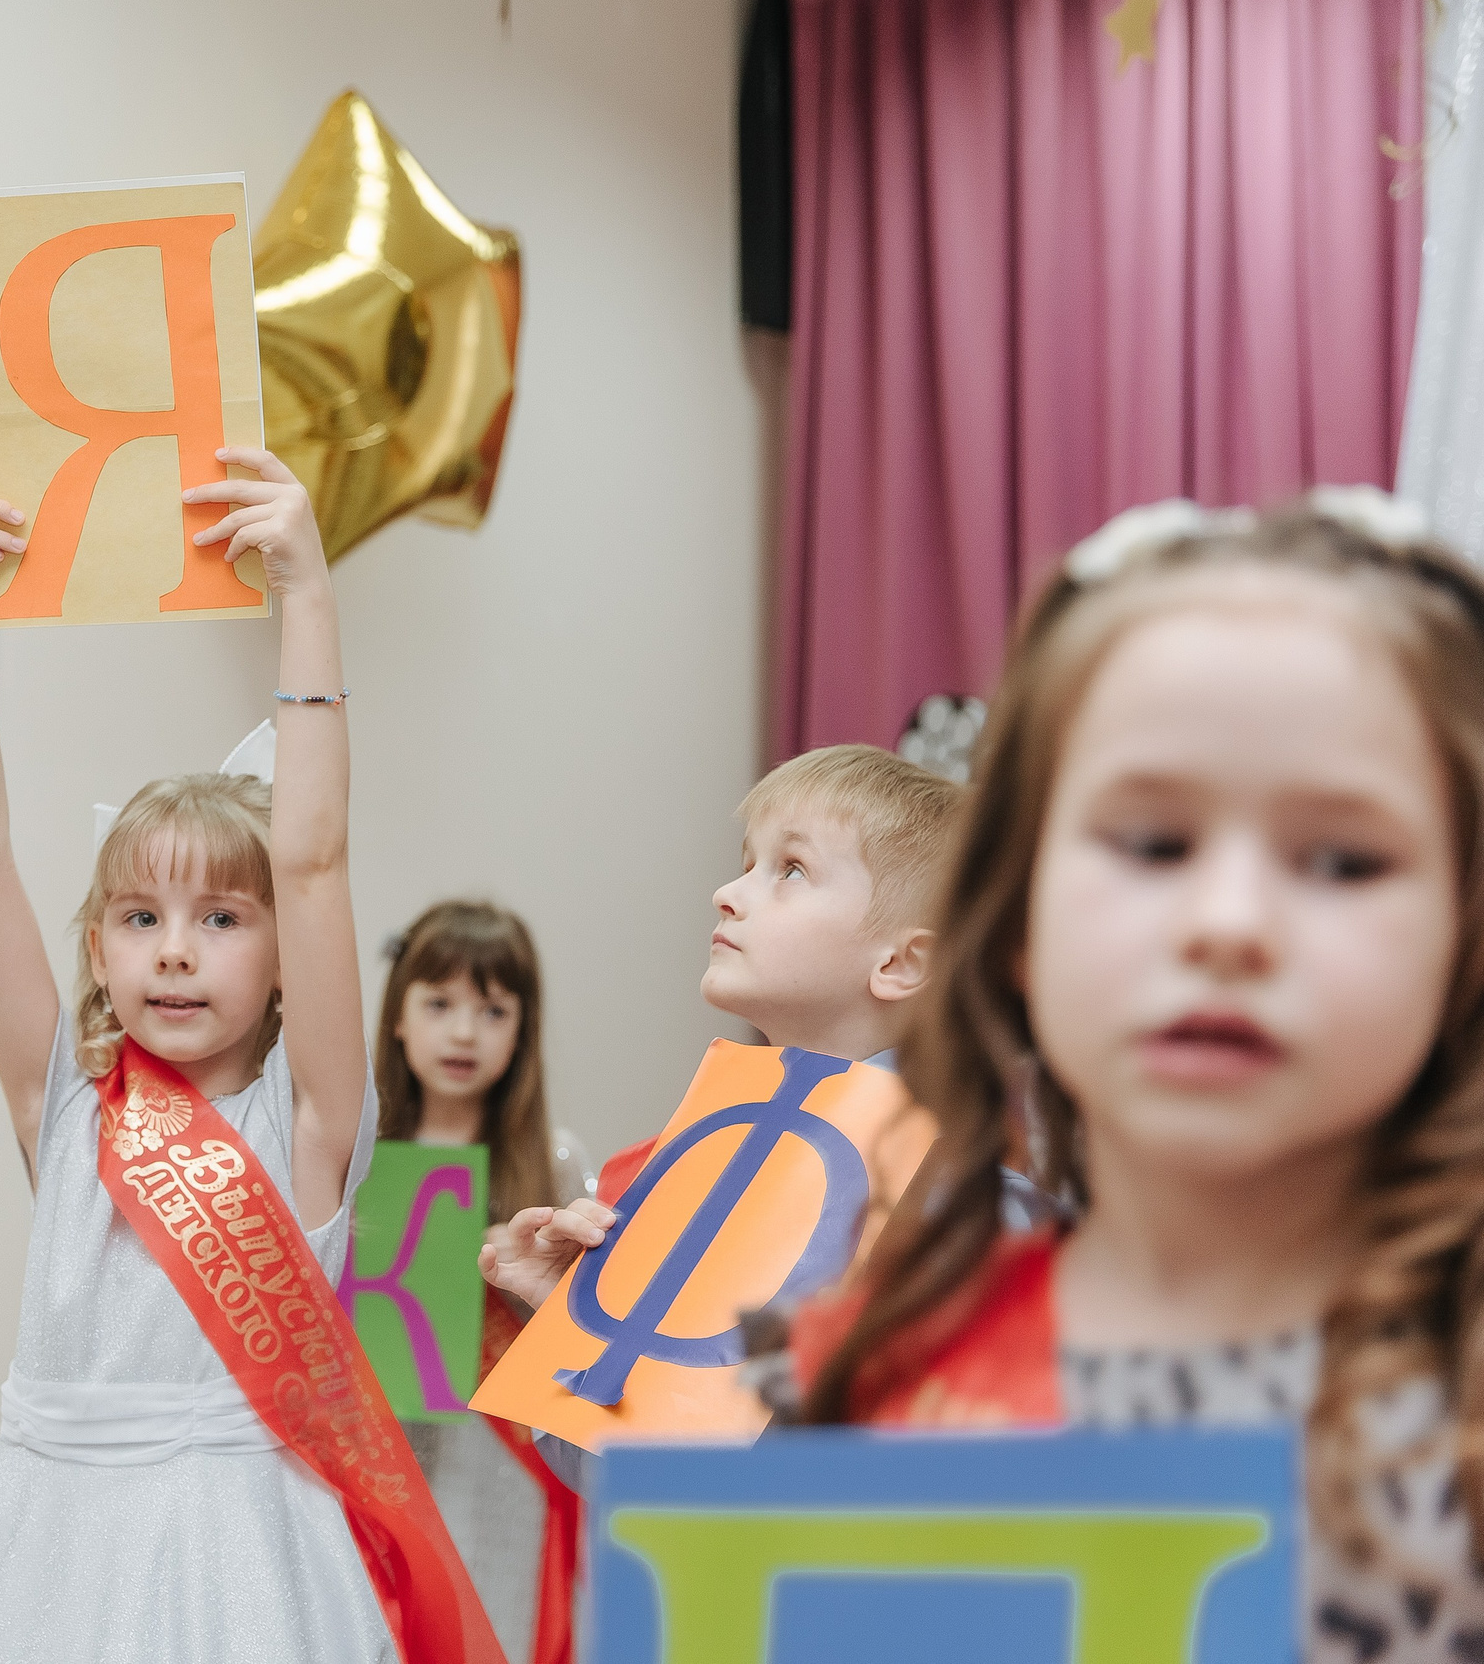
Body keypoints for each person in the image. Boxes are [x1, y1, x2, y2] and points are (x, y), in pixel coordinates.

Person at [544, 490, 1484, 1657]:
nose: (1228, 921)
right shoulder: (877, 1357)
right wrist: (596, 1340)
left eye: (1342, 858)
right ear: (1023, 925)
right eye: (1150, 841)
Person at [0, 450, 498, 1664]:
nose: (177, 954)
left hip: (239, 1563)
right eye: (140, 919)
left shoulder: (307, 1128)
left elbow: (310, 859)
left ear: (283, 957)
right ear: (98, 951)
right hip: (31, 1553)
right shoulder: (65, 1113)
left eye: (221, 919)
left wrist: (306, 598)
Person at [479, 745, 966, 1490]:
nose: (727, 893)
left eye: (791, 870)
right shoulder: (698, 1158)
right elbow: (630, 1481)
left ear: (900, 963)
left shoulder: (959, 1190)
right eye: (745, 863)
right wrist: (566, 1315)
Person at [375, 902, 576, 1664]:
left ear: (522, 1030)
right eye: (439, 1004)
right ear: (398, 1016)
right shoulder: (350, 1158)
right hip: (382, 1453)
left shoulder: (553, 1164)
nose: (464, 1032)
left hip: (496, 1462)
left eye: (492, 1010)